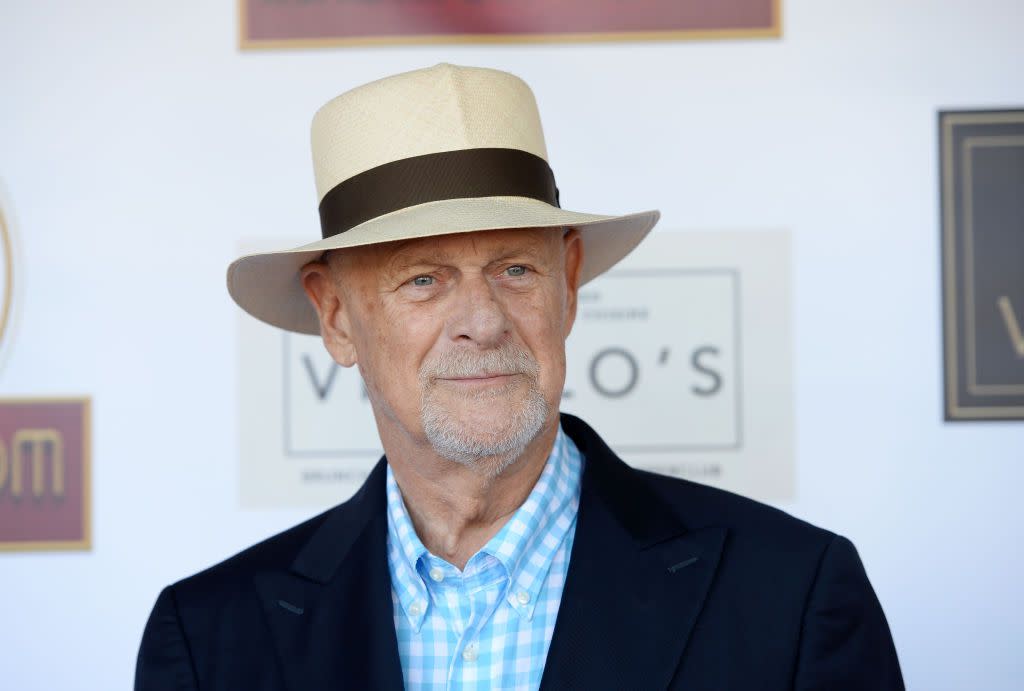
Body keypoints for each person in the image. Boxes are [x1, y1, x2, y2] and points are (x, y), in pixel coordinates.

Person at [135, 63, 903, 690]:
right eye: (424, 280)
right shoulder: (209, 640)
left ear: (567, 282)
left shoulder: (791, 596)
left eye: (514, 267)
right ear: (336, 316)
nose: (485, 319)